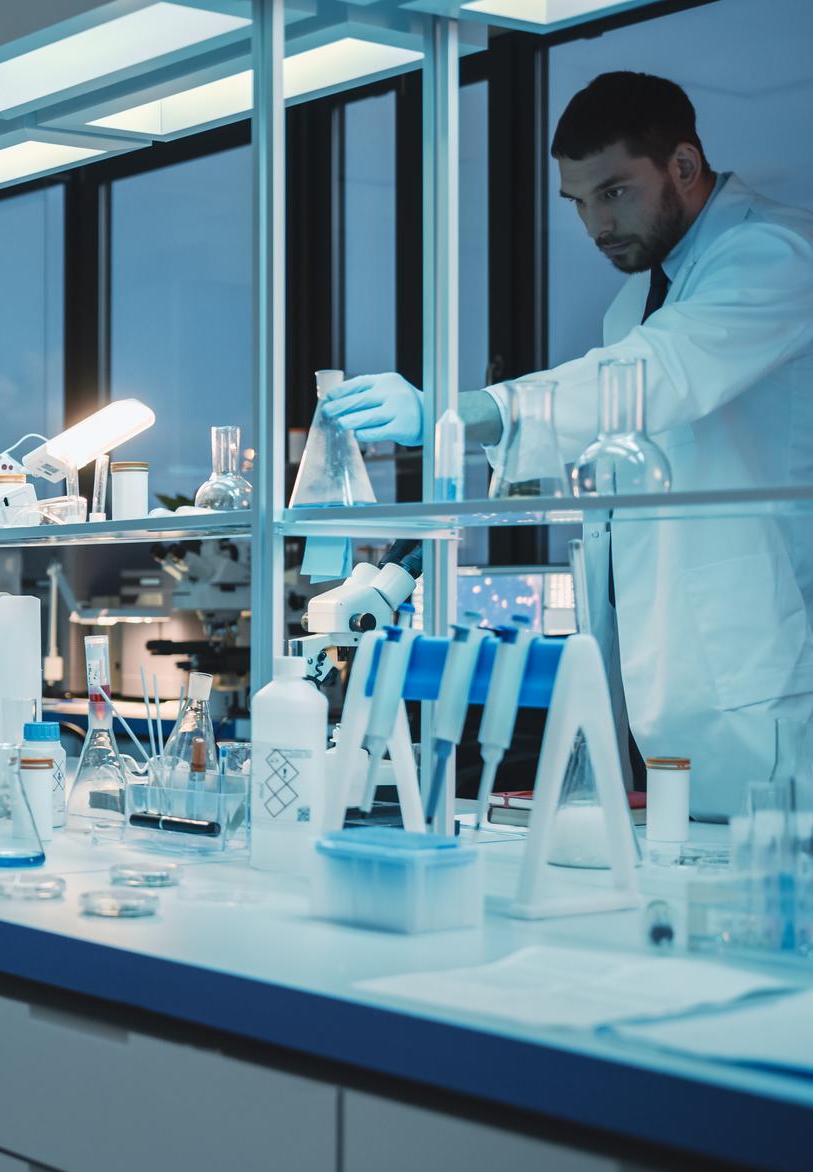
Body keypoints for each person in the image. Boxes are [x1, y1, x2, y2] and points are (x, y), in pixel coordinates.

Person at [321, 71, 813, 817]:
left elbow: (655, 377)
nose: (595, 225)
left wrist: (462, 413)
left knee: (767, 903)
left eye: (614, 192)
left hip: (763, 672)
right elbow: (602, 464)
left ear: (683, 165)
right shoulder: (634, 306)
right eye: (579, 203)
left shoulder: (774, 253)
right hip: (666, 679)